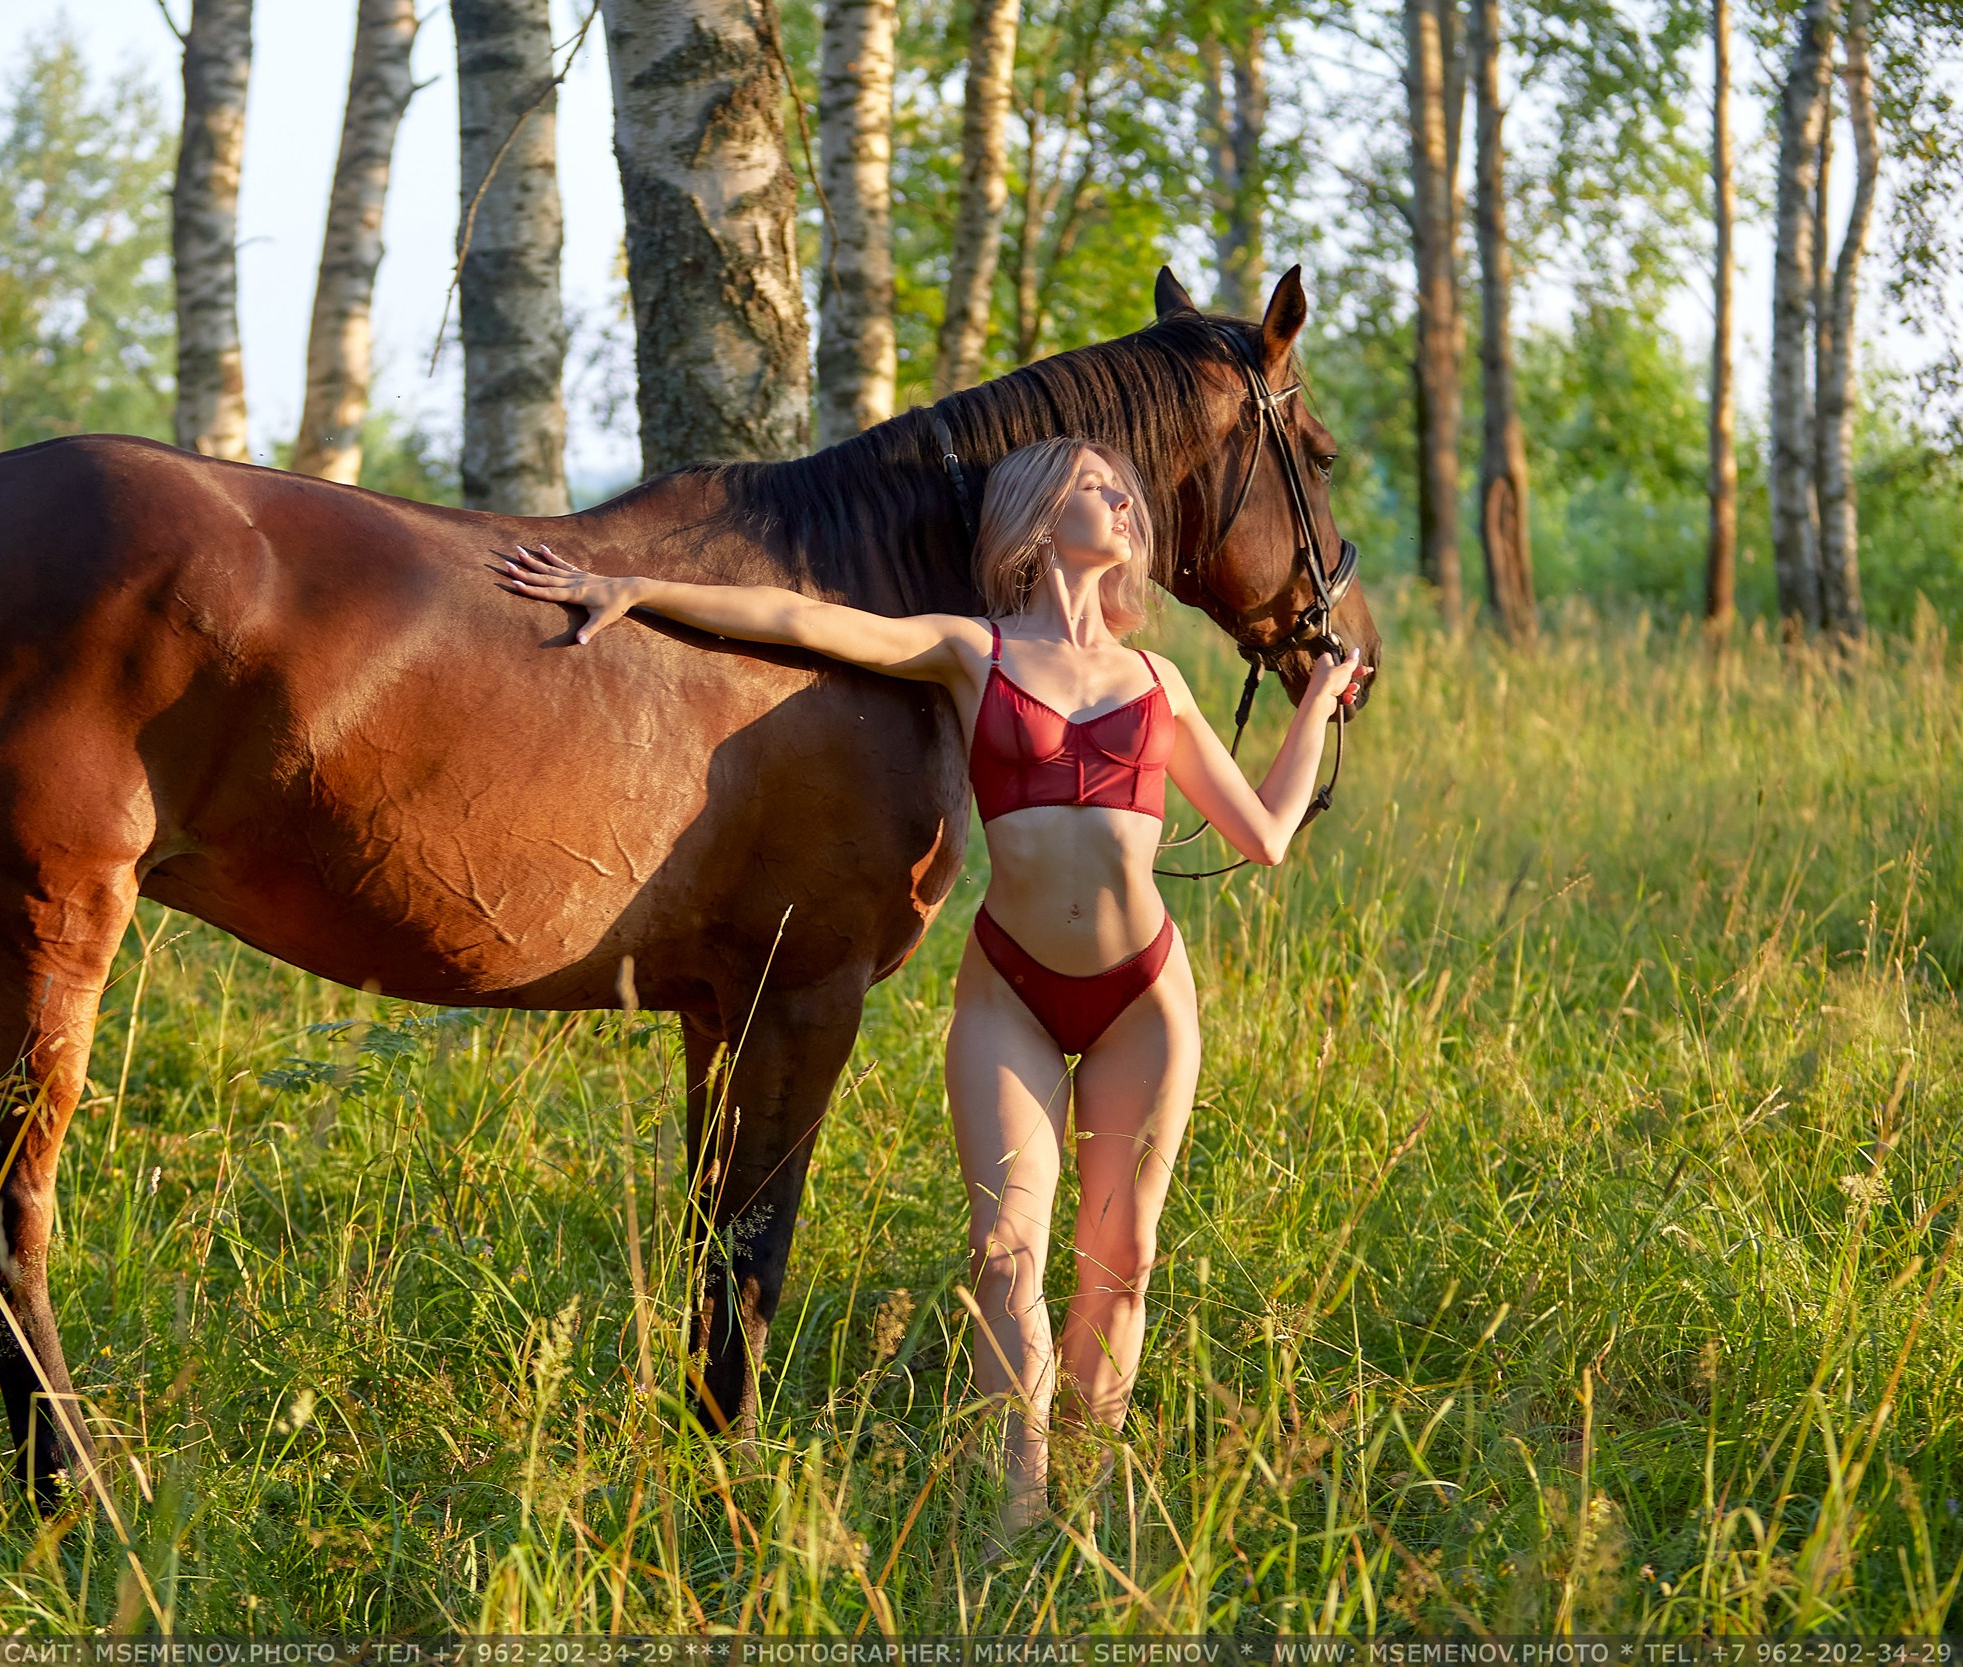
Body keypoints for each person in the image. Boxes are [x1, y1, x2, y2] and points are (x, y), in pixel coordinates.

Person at [499, 434, 1361, 1536]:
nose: (1123, 503)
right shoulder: (973, 649)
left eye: (1125, 491)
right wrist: (634, 588)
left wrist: (1314, 701)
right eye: (1096, 486)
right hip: (1010, 989)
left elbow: (1267, 834)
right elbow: (804, 621)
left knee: (1122, 1259)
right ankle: (1018, 1514)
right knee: (1006, 1257)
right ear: (1039, 515)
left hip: (1143, 997)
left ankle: (1092, 1503)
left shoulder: (1160, 680)